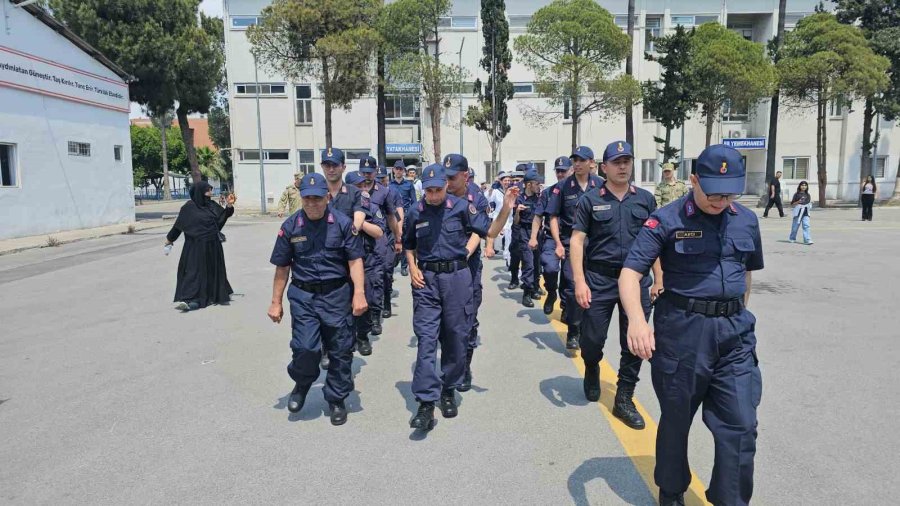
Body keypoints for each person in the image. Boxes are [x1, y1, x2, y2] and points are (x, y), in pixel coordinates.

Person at [619, 144, 764, 506]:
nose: (721, 200)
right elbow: (629, 273)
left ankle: (730, 499)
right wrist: (637, 320)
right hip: (683, 334)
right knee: (676, 419)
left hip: (734, 336)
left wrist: (736, 313)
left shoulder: (746, 219)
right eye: (713, 192)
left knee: (742, 425)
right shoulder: (667, 220)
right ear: (694, 180)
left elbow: (745, 273)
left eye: (729, 193)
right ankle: (671, 490)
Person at [570, 141, 660, 430]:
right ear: (604, 167)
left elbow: (656, 243)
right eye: (616, 162)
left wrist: (660, 278)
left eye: (627, 161)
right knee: (591, 340)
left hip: (636, 280)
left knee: (635, 342)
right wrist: (580, 282)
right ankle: (592, 366)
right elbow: (577, 241)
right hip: (599, 280)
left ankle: (624, 397)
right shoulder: (590, 199)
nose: (623, 166)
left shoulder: (645, 200)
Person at [267, 172, 368, 426]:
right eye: (306, 199)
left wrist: (359, 293)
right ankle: (302, 383)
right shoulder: (291, 226)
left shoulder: (343, 224)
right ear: (301, 199)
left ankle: (336, 398)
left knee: (340, 349)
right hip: (304, 296)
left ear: (327, 197)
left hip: (336, 295)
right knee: (305, 347)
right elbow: (282, 267)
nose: (312, 204)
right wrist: (276, 301)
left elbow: (355, 260)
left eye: (317, 199)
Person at [403, 164, 486, 431]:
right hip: (426, 282)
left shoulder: (462, 208)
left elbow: (487, 230)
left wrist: (507, 207)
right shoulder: (416, 211)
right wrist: (413, 267)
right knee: (426, 339)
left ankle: (448, 387)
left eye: (438, 189)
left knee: (455, 335)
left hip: (456, 278)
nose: (434, 195)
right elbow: (408, 245)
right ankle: (426, 402)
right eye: (429, 191)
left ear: (446, 186)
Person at [546, 146, 603, 350]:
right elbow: (553, 216)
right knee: (572, 287)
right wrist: (559, 243)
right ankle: (573, 329)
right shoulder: (563, 187)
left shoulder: (601, 185)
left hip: (597, 247)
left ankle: (588, 327)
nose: (577, 164)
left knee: (593, 287)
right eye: (575, 160)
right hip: (572, 245)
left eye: (581, 160)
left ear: (591, 163)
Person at [442, 154, 491, 392]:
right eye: (445, 177)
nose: (447, 182)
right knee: (446, 321)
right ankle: (449, 363)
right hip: (442, 267)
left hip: (467, 265)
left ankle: (464, 366)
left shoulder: (476, 197)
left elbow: (478, 230)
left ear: (465, 176)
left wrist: (464, 254)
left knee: (468, 317)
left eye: (452, 178)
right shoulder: (439, 193)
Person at [319, 147, 367, 369]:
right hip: (323, 258)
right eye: (327, 165)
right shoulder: (316, 190)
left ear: (343, 167)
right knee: (321, 305)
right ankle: (325, 348)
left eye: (335, 165)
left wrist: (350, 231)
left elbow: (359, 216)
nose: (331, 169)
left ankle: (346, 344)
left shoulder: (354, 192)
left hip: (348, 255)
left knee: (348, 303)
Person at [165, 181, 235, 312]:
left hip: (213, 247)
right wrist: (169, 239)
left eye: (210, 189)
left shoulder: (211, 205)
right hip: (194, 247)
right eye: (207, 189)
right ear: (199, 191)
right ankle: (191, 299)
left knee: (211, 271)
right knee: (193, 272)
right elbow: (178, 226)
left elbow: (220, 221)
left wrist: (229, 206)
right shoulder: (188, 208)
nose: (210, 192)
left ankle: (211, 295)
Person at [358, 157, 403, 338]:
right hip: (357, 243)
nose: (367, 176)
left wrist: (398, 238)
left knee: (380, 277)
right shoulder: (353, 190)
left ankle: (376, 316)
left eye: (370, 172)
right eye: (364, 172)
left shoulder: (384, 192)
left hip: (379, 241)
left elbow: (392, 217)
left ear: (376, 172)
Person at [345, 170, 385, 356]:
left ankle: (362, 336)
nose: (363, 189)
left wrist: (359, 223)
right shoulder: (339, 206)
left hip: (367, 259)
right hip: (344, 262)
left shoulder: (370, 207)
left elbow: (379, 232)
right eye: (358, 186)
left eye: (364, 185)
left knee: (365, 299)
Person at [530, 157, 572, 315]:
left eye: (564, 171)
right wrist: (533, 237)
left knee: (570, 277)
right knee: (549, 267)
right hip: (550, 239)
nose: (561, 174)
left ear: (571, 170)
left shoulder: (578, 191)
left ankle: (566, 305)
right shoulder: (548, 193)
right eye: (558, 171)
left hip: (571, 239)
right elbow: (537, 216)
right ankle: (552, 292)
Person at [512, 169, 543, 308]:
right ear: (529, 184)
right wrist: (518, 211)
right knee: (528, 263)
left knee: (537, 263)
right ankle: (527, 292)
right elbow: (516, 221)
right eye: (537, 183)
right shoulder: (519, 199)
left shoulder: (540, 198)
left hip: (538, 233)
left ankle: (536, 287)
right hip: (524, 232)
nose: (539, 186)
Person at [380, 164, 406, 319]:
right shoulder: (368, 194)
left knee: (387, 269)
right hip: (374, 236)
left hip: (390, 234)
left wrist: (398, 236)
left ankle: (386, 302)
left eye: (383, 178)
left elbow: (399, 215)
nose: (381, 181)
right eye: (378, 179)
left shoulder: (393, 193)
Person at [390, 161, 416, 277]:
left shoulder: (409, 185)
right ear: (393, 170)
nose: (399, 171)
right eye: (397, 169)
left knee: (405, 241)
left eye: (401, 169)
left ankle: (404, 266)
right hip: (394, 215)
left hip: (406, 215)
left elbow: (414, 201)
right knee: (395, 239)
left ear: (404, 171)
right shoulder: (389, 185)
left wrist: (412, 214)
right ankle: (394, 261)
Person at [789, 181, 813, 245]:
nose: (804, 186)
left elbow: (808, 203)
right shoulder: (796, 194)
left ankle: (807, 240)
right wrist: (798, 201)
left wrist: (809, 205)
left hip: (805, 212)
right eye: (802, 185)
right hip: (798, 213)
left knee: (806, 226)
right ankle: (792, 238)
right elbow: (792, 204)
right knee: (795, 227)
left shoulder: (808, 195)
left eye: (805, 185)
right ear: (800, 186)